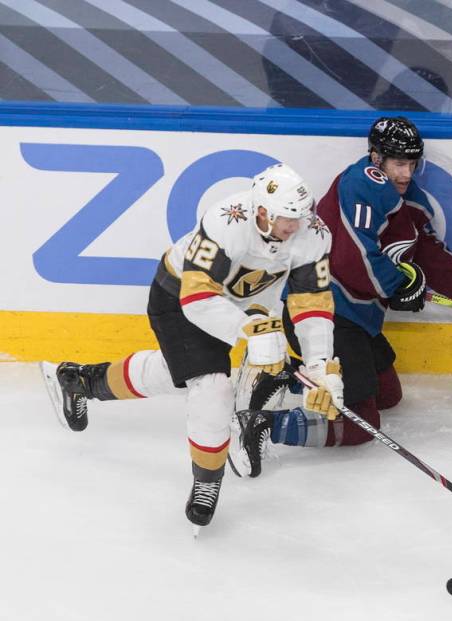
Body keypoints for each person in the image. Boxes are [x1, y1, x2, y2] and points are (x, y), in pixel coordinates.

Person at [40, 164, 343, 529]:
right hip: (180, 297)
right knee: (213, 387)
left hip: (241, 306)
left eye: (300, 217)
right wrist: (248, 329)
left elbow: (312, 303)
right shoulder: (226, 221)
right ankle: (207, 482)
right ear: (261, 211)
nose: (295, 227)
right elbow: (197, 297)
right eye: (285, 219)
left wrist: (319, 366)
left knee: (178, 373)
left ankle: (80, 382)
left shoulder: (313, 233)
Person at [230, 116, 452, 478]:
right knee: (361, 423)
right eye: (398, 163)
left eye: (412, 164)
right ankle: (262, 425)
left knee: (388, 395)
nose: (406, 173)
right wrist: (398, 286)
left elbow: (431, 253)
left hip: (357, 318)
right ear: (376, 158)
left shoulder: (407, 199)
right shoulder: (360, 183)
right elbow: (351, 256)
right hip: (324, 316)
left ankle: (286, 378)